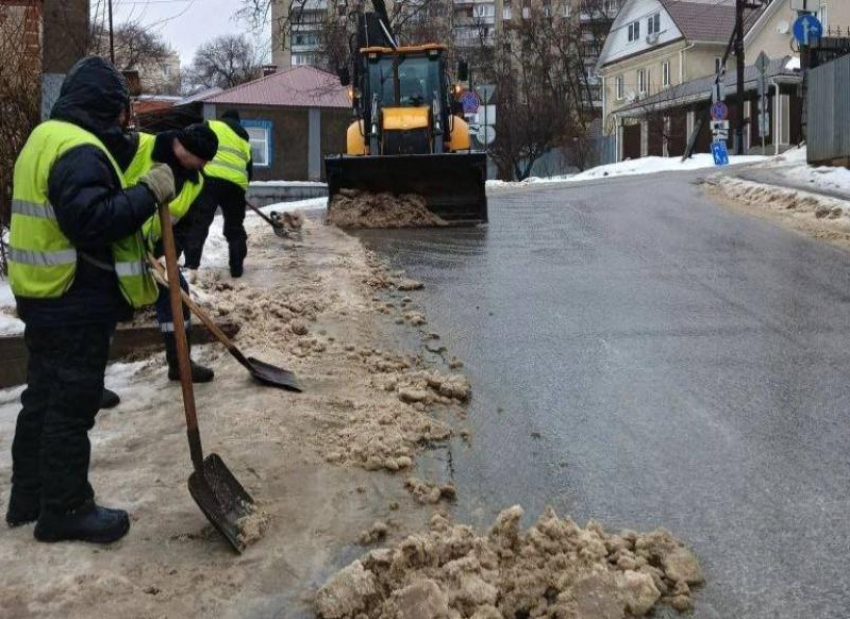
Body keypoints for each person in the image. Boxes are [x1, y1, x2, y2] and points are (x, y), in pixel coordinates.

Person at [5, 56, 175, 543]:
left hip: (43, 294)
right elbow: (94, 219)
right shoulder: (79, 149)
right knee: (70, 406)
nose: (128, 121)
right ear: (107, 106)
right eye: (124, 111)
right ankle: (66, 507)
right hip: (74, 300)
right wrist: (148, 192)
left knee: (41, 398)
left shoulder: (45, 138)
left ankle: (29, 497)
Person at [123, 124, 218, 383]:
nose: (204, 166)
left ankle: (180, 364)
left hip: (153, 250)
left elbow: (184, 227)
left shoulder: (195, 182)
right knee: (103, 305)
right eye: (203, 159)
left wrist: (169, 257)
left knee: (177, 292)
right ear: (186, 149)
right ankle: (90, 385)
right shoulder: (136, 147)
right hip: (115, 244)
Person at [182, 109, 253, 279]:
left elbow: (193, 141)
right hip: (235, 186)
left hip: (209, 180)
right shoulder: (245, 141)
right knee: (235, 229)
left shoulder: (211, 125)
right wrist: (238, 189)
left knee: (199, 223)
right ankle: (237, 269)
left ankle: (191, 267)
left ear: (224, 118)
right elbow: (249, 171)